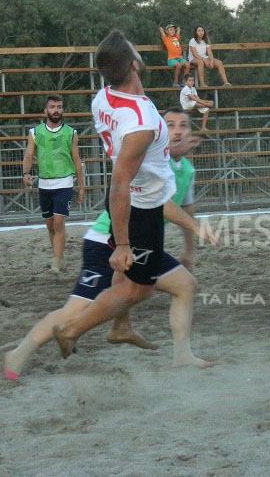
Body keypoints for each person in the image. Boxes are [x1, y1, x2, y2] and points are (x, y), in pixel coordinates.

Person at [4, 107, 212, 380]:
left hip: (143, 242)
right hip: (107, 240)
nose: (177, 130)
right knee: (76, 310)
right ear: (158, 133)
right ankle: (18, 353)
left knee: (184, 285)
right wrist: (196, 228)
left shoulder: (185, 169)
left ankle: (180, 353)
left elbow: (187, 205)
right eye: (170, 125)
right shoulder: (148, 161)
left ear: (191, 134)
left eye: (183, 125)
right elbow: (163, 206)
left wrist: (188, 250)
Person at [51, 30, 199, 363]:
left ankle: (120, 326)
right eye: (134, 49)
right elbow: (120, 182)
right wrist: (121, 244)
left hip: (140, 201)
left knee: (145, 282)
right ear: (134, 64)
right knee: (137, 288)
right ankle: (71, 330)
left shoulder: (104, 96)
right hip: (139, 207)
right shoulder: (141, 121)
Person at [22, 95, 86, 271]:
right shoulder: (35, 133)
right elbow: (28, 155)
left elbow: (76, 159)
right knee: (50, 224)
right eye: (52, 107)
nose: (56, 110)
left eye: (59, 106)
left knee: (58, 221)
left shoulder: (70, 132)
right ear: (45, 111)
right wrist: (26, 173)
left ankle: (56, 262)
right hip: (44, 184)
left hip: (64, 183)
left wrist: (81, 186)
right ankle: (59, 255)